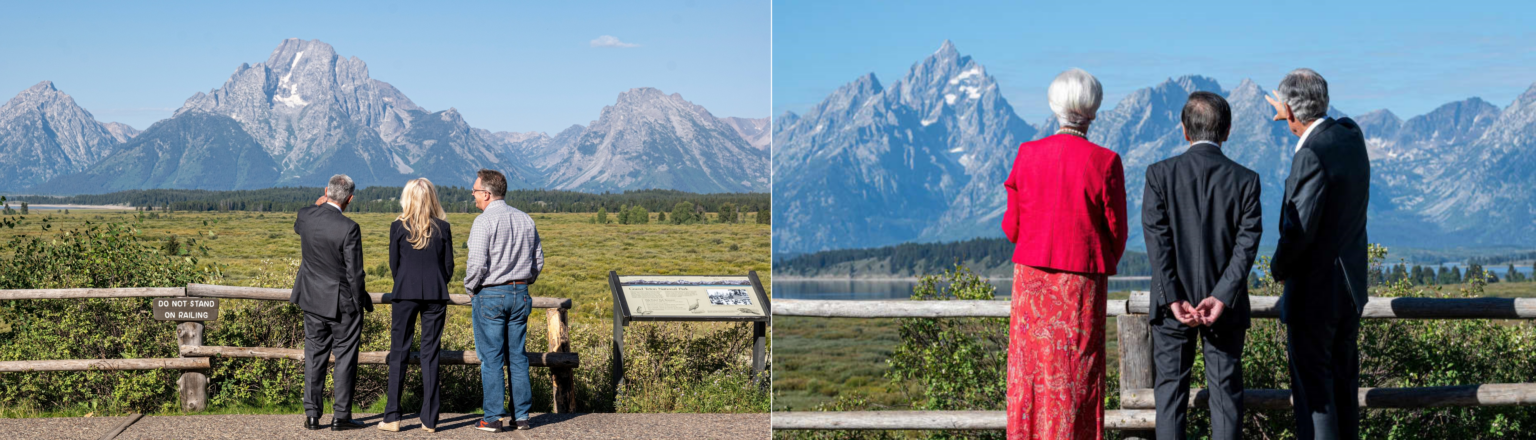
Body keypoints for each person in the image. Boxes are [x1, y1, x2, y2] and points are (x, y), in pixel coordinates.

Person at [1001, 68, 1127, 440]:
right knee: (1077, 373)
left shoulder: (1027, 154)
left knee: (1030, 373)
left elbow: (1012, 228)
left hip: (1031, 280)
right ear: (1093, 110)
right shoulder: (1105, 161)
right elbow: (1116, 233)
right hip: (1081, 284)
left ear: (1054, 106)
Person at [1142, 92, 1262, 440]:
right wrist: (1222, 296)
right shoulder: (1246, 180)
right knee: (1226, 397)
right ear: (1227, 131)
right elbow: (1247, 244)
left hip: (1171, 308)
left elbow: (1157, 242)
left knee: (1170, 396)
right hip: (1224, 309)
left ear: (1184, 130)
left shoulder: (1159, 174)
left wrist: (1173, 297)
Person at [1264, 68, 1371, 440]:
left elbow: (1299, 229)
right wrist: (1291, 108)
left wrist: (1277, 268)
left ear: (1290, 112)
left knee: (1315, 398)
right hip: (1349, 288)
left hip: (1315, 293)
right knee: (1344, 391)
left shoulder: (1311, 153)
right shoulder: (1350, 137)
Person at [290, 174, 374, 431]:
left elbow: (298, 227)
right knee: (345, 359)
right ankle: (341, 416)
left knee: (314, 356)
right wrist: (360, 302)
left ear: (326, 191)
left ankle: (313, 416)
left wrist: (318, 206)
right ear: (350, 199)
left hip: (312, 299)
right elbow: (354, 273)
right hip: (342, 305)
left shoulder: (306, 215)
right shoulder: (349, 228)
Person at [465, 169, 544, 432]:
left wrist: (471, 288)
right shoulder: (526, 219)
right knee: (518, 356)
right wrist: (523, 282)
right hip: (520, 293)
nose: (473, 195)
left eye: (475, 191)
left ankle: (493, 417)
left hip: (491, 294)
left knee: (491, 357)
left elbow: (476, 265)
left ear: (486, 194)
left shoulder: (483, 222)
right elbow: (538, 261)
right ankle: (521, 416)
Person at [378, 178, 454, 433]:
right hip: (436, 293)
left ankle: (392, 416)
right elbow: (449, 268)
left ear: (407, 198)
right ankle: (430, 420)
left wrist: (406, 282)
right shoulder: (443, 227)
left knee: (399, 352)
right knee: (430, 354)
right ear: (432, 198)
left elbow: (394, 265)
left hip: (404, 292)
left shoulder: (397, 227)